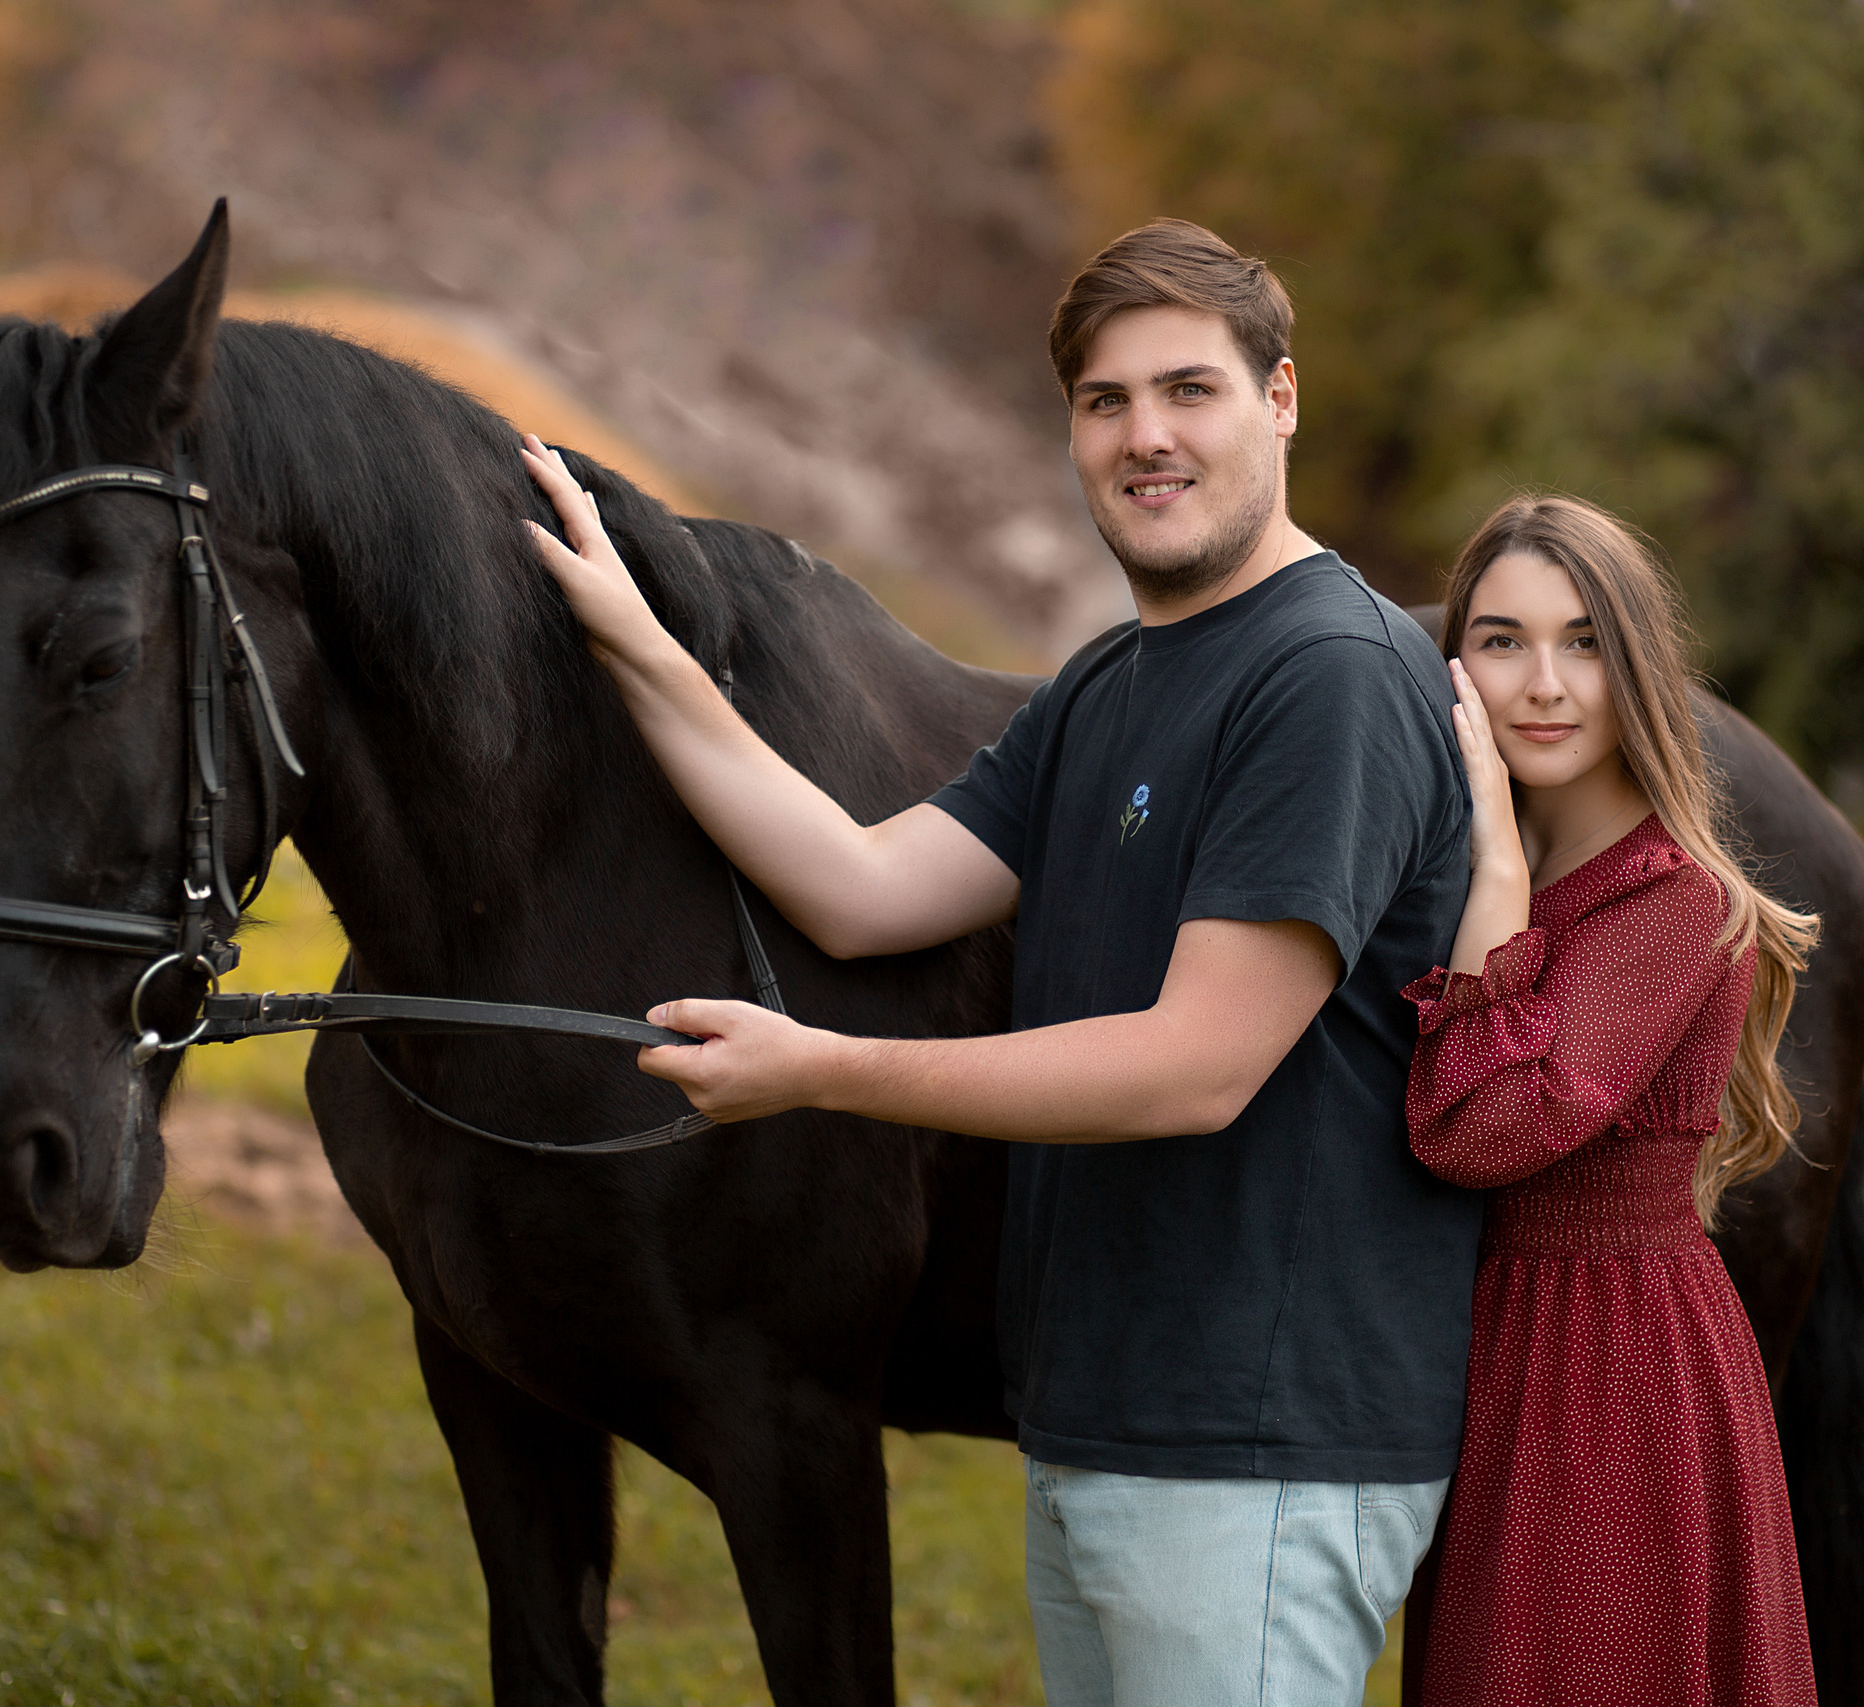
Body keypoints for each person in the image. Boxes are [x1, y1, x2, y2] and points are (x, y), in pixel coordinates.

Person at [519, 218, 1483, 1704]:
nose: (1144, 436)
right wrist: (638, 645)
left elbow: (1195, 1064)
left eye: (1190, 390)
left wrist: (825, 1071)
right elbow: (861, 882)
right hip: (1107, 1427)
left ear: (1281, 399)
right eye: (1105, 402)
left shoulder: (1328, 676)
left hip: (1255, 1452)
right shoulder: (1113, 679)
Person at [1396, 494, 1822, 1706]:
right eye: (1501, 639)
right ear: (1455, 665)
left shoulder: (1671, 901)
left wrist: (1495, 868)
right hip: (1505, 1351)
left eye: (1583, 642)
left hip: (1615, 1372)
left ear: (1636, 666)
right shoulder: (1488, 872)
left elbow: (1478, 1128)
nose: (1542, 683)